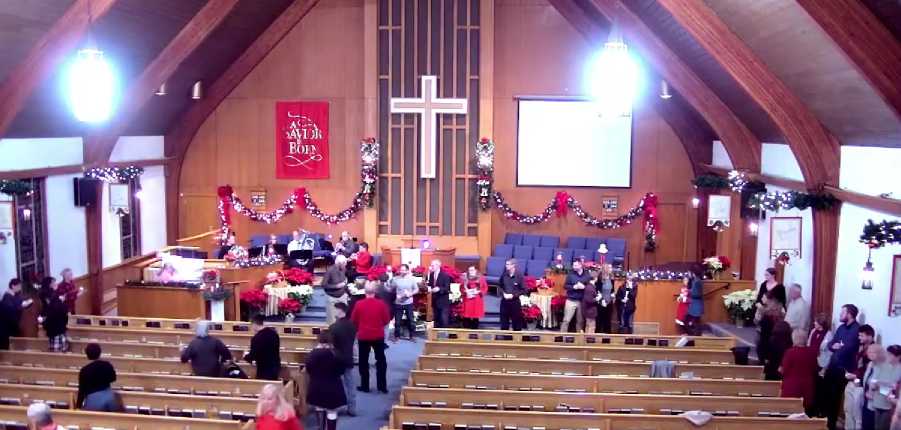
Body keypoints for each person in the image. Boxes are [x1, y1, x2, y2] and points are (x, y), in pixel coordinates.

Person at [351, 282, 391, 393]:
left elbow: (354, 320)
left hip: (363, 335)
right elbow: (386, 320)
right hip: (378, 335)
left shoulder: (359, 304)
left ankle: (365, 386)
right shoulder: (381, 304)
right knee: (381, 360)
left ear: (365, 292)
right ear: (375, 292)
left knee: (363, 361)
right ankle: (382, 387)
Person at [304, 330, 346, 430]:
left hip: (317, 386)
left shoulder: (313, 354)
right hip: (333, 387)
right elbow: (342, 371)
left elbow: (308, 369)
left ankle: (321, 428)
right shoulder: (337, 354)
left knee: (319, 408)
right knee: (332, 412)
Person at [845, 324, 878, 430]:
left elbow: (869, 371)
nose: (859, 338)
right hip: (852, 381)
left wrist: (856, 376)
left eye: (861, 336)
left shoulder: (874, 351)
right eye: (859, 335)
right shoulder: (860, 346)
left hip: (860, 386)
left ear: (870, 336)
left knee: (857, 415)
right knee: (848, 410)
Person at [328, 302, 357, 416]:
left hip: (336, 359)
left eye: (335, 309)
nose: (333, 312)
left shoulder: (333, 327)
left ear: (340, 311)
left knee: (335, 384)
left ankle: (335, 406)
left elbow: (330, 344)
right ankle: (352, 408)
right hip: (348, 357)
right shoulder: (352, 325)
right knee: (350, 384)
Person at [863, 344, 901, 430]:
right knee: (876, 426)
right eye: (888, 353)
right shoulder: (884, 366)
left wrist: (879, 387)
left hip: (890, 405)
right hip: (878, 401)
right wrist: (873, 389)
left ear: (898, 357)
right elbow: (876, 382)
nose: (888, 356)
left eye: (890, 354)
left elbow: (893, 389)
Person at [780, 330, 817, 415]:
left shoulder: (790, 352)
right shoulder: (812, 352)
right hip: (807, 387)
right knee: (804, 414)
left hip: (792, 388)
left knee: (789, 415)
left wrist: (780, 369)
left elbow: (784, 370)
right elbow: (814, 368)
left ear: (794, 339)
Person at [76, 343, 119, 411]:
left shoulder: (84, 370)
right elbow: (113, 378)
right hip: (109, 397)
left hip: (92, 400)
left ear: (87, 354)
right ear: (100, 353)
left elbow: (82, 391)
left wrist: (78, 407)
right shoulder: (107, 365)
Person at [809, 313, 834, 417]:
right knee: (812, 388)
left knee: (821, 389)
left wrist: (825, 368)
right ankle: (812, 411)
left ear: (821, 323)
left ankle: (820, 411)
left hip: (822, 365)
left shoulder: (829, 335)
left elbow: (829, 353)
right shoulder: (813, 331)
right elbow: (809, 344)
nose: (814, 323)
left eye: (816, 321)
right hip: (812, 362)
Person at [756, 292, 786, 379]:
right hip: (773, 349)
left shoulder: (771, 318)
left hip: (773, 349)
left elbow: (764, 337)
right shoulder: (771, 318)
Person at [244, 314, 281, 380]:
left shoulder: (256, 338)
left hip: (263, 369)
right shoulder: (274, 334)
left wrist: (245, 356)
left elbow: (252, 356)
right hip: (275, 367)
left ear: (254, 324)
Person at [38, 277, 69, 352]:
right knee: (58, 349)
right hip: (56, 325)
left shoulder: (51, 294)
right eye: (54, 282)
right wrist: (61, 301)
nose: (56, 283)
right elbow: (54, 309)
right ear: (49, 284)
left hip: (53, 324)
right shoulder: (49, 295)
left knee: (54, 348)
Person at [388, 264, 418, 341]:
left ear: (407, 271)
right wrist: (396, 295)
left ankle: (412, 336)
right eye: (401, 270)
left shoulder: (412, 279)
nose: (402, 271)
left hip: (409, 303)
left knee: (411, 320)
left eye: (404, 270)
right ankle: (397, 336)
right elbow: (391, 289)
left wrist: (410, 294)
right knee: (397, 321)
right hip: (398, 303)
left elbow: (416, 289)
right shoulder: (395, 279)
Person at [0, 278, 32, 350]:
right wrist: (22, 306)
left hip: (13, 326)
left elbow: (18, 304)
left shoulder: (15, 296)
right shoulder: (7, 297)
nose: (20, 288)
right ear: (13, 286)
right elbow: (11, 313)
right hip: (9, 329)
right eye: (19, 286)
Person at [561, 260, 590, 332]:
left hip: (582, 301)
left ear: (580, 265)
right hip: (571, 300)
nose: (574, 267)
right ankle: (562, 336)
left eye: (576, 265)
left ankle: (579, 337)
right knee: (566, 320)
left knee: (580, 321)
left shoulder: (587, 275)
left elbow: (590, 286)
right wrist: (574, 287)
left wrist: (584, 287)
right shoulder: (570, 274)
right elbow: (565, 286)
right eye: (573, 265)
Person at [498, 259, 525, 331]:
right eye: (506, 264)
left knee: (516, 324)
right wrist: (503, 293)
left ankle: (516, 337)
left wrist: (513, 295)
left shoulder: (519, 276)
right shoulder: (504, 275)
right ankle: (504, 337)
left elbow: (524, 290)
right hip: (504, 302)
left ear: (513, 265)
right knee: (504, 323)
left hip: (515, 302)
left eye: (508, 264)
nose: (506, 266)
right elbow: (499, 286)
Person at [321, 255, 350, 325]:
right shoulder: (330, 271)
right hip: (332, 298)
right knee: (332, 322)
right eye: (344, 264)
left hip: (343, 296)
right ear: (339, 263)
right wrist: (336, 286)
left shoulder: (344, 268)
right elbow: (324, 285)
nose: (345, 266)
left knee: (344, 320)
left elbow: (345, 277)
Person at [425, 259, 451, 328]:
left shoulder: (445, 275)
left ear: (438, 265)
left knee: (444, 320)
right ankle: (436, 333)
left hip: (443, 301)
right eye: (431, 265)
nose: (431, 267)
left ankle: (444, 333)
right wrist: (428, 288)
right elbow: (430, 285)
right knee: (436, 319)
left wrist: (439, 289)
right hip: (435, 301)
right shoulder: (431, 275)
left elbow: (447, 288)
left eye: (432, 265)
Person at [684, 271, 705, 336]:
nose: (689, 274)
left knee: (689, 321)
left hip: (696, 305)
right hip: (695, 305)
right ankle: (694, 335)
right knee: (695, 321)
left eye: (689, 273)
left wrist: (688, 291)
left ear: (693, 273)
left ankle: (694, 335)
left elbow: (697, 294)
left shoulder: (697, 281)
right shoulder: (696, 281)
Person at [595, 265, 614, 333]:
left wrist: (612, 296)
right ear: (605, 270)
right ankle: (598, 336)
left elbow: (612, 290)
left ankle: (607, 337)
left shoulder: (611, 279)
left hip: (609, 303)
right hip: (601, 303)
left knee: (608, 321)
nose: (611, 269)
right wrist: (602, 301)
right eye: (610, 268)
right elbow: (597, 291)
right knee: (599, 321)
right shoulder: (599, 279)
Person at [581, 266, 599, 333]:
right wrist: (597, 298)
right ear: (595, 278)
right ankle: (589, 338)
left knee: (589, 326)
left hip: (589, 311)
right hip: (590, 311)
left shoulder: (590, 286)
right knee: (591, 327)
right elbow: (589, 300)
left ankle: (588, 338)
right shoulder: (590, 287)